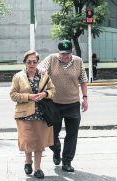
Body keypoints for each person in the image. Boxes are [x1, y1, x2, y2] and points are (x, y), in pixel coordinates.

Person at [38, 39, 88, 172]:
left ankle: (67, 162)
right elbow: (40, 67)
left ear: (72, 51)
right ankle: (56, 149)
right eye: (62, 54)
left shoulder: (78, 61)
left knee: (72, 134)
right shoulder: (52, 59)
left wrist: (85, 98)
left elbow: (83, 80)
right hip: (54, 104)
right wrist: (42, 69)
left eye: (67, 54)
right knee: (52, 134)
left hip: (73, 104)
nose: (64, 57)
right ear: (58, 52)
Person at [10, 50, 55, 179]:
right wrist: (29, 96)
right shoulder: (18, 76)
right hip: (24, 114)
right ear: (24, 62)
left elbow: (53, 90)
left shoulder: (44, 75)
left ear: (37, 63)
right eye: (29, 62)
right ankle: (28, 161)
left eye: (34, 62)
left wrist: (45, 94)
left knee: (40, 142)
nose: (32, 64)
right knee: (28, 141)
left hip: (42, 114)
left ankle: (38, 168)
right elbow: (13, 95)